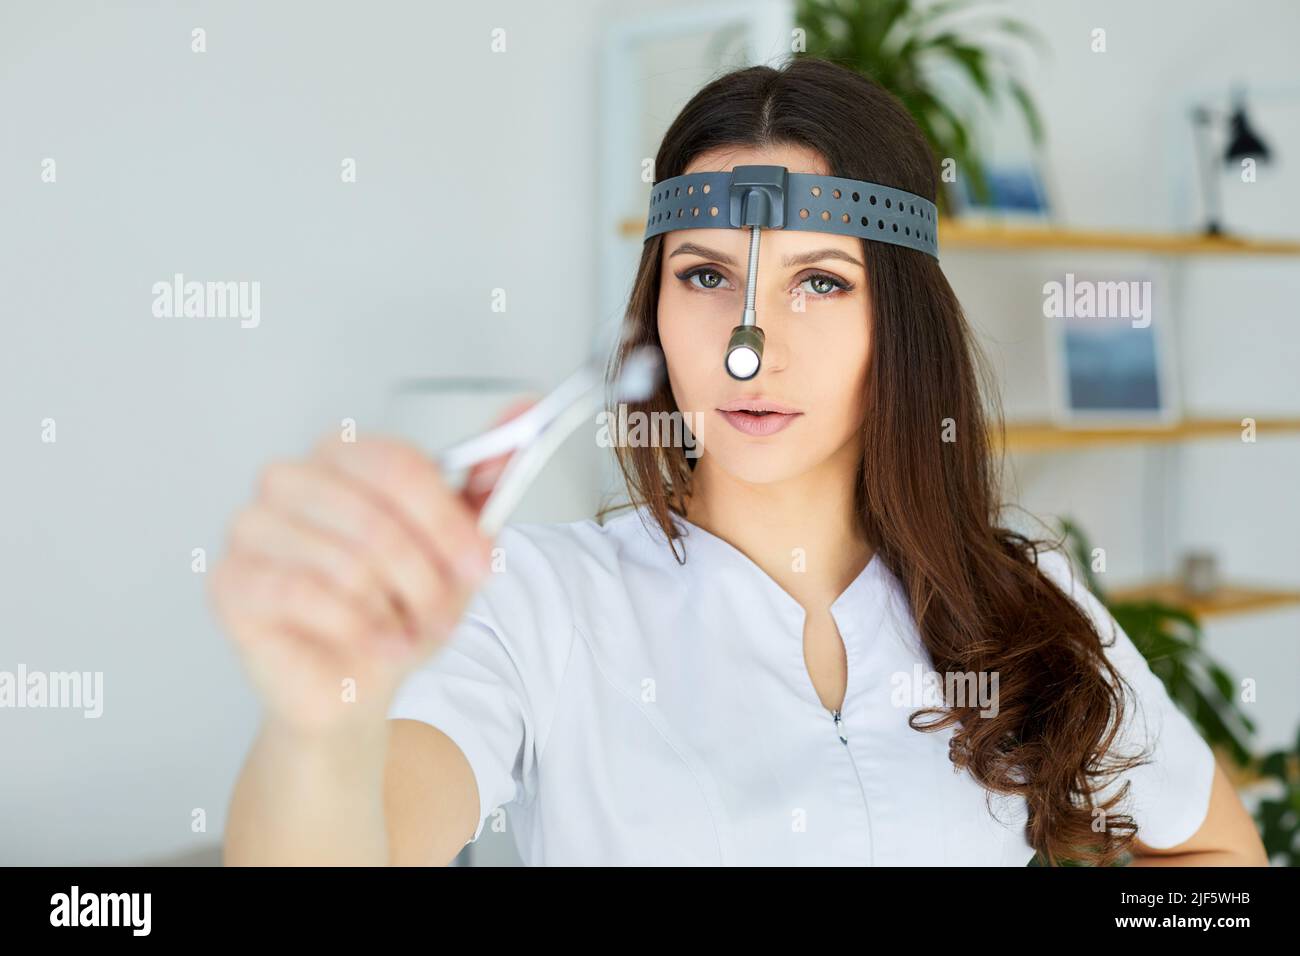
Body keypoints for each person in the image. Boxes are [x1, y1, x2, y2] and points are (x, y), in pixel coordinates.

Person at [212, 57, 1266, 866]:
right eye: (706, 275)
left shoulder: (1022, 596)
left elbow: (1213, 853)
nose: (749, 345)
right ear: (653, 310)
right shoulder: (533, 605)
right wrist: (319, 726)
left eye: (821, 282)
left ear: (900, 324)